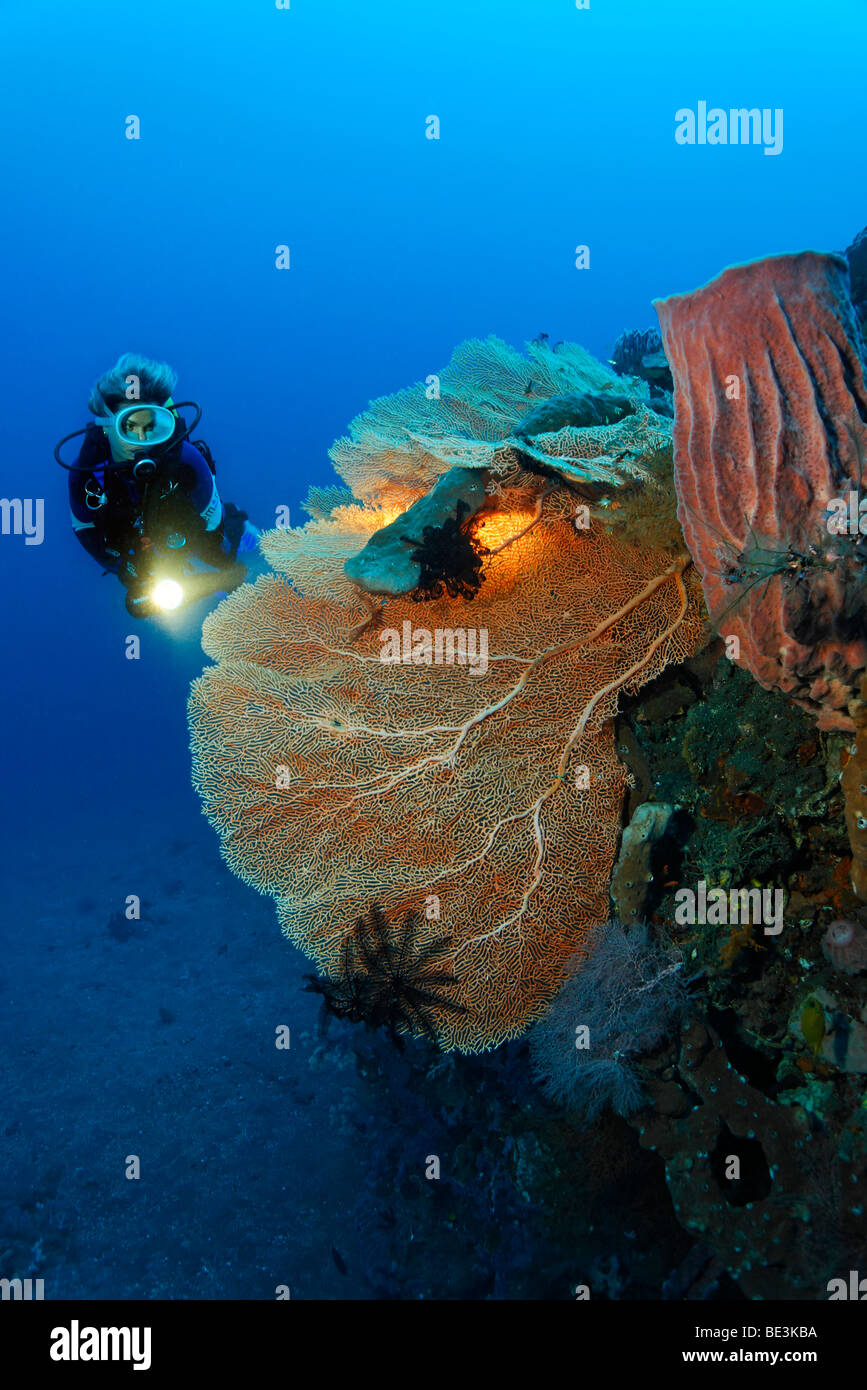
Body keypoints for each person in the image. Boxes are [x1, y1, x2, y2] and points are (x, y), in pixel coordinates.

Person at [59, 353, 260, 616]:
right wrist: (121, 565)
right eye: (129, 427)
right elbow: (84, 529)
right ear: (108, 427)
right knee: (138, 604)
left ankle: (241, 525)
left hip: (186, 527)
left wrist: (175, 543)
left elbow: (212, 527)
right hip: (132, 541)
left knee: (224, 556)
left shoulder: (188, 461)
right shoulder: (85, 474)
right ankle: (210, 585)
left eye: (152, 426)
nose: (142, 439)